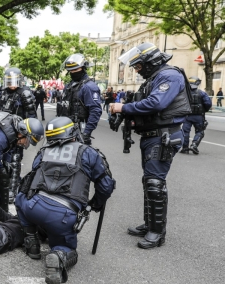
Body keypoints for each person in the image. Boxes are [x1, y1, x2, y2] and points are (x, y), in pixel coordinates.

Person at [15, 116, 115, 284]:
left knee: (19, 198)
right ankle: (59, 256)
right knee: (66, 248)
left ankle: (32, 243)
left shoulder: (43, 152)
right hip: (63, 217)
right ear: (73, 133)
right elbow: (106, 186)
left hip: (34, 208)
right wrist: (94, 205)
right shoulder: (89, 153)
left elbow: (28, 183)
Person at [110, 42, 190, 249]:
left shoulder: (169, 76)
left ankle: (157, 232)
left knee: (155, 183)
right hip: (153, 136)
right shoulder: (155, 77)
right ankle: (149, 224)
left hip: (164, 136)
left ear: (151, 61)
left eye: (138, 66)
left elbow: (157, 103)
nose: (137, 70)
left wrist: (123, 107)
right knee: (149, 181)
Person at [0, 67, 38, 203]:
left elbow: (32, 116)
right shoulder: (2, 91)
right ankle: (2, 188)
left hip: (18, 132)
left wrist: (28, 134)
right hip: (2, 130)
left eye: (14, 81)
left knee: (15, 160)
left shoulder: (25, 93)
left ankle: (12, 191)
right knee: (1, 161)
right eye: (9, 81)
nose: (12, 84)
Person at [56, 54, 102, 145]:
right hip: (65, 130)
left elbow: (95, 111)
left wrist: (86, 133)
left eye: (76, 69)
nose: (73, 72)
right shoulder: (69, 86)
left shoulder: (88, 87)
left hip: (79, 131)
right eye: (71, 70)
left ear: (83, 68)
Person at [181, 77, 212, 154]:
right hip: (198, 116)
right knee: (200, 131)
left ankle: (185, 148)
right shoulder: (202, 93)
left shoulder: (184, 93)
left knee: (185, 132)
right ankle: (194, 145)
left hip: (187, 116)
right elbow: (208, 103)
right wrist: (204, 110)